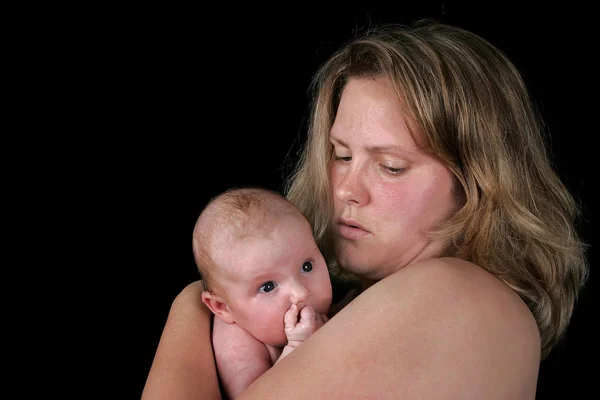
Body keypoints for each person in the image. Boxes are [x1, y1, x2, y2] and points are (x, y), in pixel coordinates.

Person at [142, 19, 589, 399]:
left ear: (477, 183)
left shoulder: (457, 293)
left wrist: (196, 302)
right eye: (341, 155)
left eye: (391, 167)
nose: (346, 191)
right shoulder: (360, 310)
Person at [191, 187, 332, 399]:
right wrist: (296, 349)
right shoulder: (237, 341)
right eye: (268, 287)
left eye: (306, 267)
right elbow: (254, 395)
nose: (300, 292)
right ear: (223, 308)